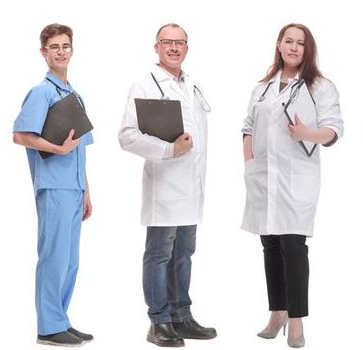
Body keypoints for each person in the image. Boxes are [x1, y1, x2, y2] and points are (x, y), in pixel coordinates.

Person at [241, 23, 343, 349]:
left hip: (297, 178)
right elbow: (246, 127)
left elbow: (334, 129)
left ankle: (296, 321)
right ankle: (277, 312)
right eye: (289, 41)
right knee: (270, 245)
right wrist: (250, 163)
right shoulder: (262, 88)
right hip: (263, 178)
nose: (294, 47)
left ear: (307, 49)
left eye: (301, 43)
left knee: (293, 247)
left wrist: (307, 135)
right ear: (279, 45)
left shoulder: (320, 87)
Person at [116, 23, 218, 347]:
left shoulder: (193, 85)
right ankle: (158, 322)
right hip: (165, 186)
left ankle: (181, 316)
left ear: (187, 47)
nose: (174, 48)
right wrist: (169, 150)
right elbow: (127, 136)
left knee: (184, 253)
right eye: (167, 42)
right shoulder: (144, 85)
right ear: (156, 47)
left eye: (180, 43)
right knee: (159, 253)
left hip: (192, 185)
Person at [12, 23, 94, 348]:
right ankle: (48, 326)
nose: (61, 52)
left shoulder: (75, 95)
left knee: (71, 259)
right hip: (54, 187)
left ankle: (61, 319)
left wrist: (87, 190)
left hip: (74, 187)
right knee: (53, 257)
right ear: (43, 52)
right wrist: (57, 149)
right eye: (54, 47)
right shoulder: (42, 92)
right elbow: (20, 135)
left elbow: (81, 148)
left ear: (72, 50)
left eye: (65, 46)